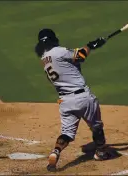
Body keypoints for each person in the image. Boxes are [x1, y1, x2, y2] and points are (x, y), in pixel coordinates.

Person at [35, 28, 111, 171]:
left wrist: (91, 46)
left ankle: (55, 151)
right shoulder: (59, 51)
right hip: (83, 98)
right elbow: (81, 55)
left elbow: (70, 64)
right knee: (96, 126)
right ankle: (100, 152)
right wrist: (91, 45)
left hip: (65, 102)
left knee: (67, 133)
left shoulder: (44, 60)